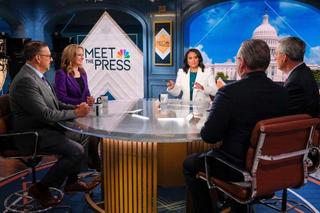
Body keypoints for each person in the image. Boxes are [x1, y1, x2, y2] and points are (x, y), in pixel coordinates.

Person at [183, 39, 288, 213]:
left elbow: (210, 136)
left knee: (189, 164)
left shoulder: (229, 93)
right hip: (272, 166)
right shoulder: (283, 93)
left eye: (238, 59)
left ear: (242, 63)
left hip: (236, 167)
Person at [9, 41, 98, 208]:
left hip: (45, 128)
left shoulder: (38, 76)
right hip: (32, 134)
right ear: (37, 58)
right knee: (76, 151)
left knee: (83, 135)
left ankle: (72, 181)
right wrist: (76, 113)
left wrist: (75, 108)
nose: (51, 59)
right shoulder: (26, 80)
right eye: (48, 56)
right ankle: (41, 188)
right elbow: (46, 115)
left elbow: (55, 104)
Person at [54, 44, 100, 171]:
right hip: (70, 114)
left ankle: (92, 159)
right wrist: (81, 102)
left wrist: (90, 99)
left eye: (82, 55)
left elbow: (86, 93)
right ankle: (90, 162)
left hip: (84, 111)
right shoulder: (61, 74)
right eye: (79, 55)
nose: (82, 58)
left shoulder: (82, 72)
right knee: (91, 132)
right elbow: (61, 98)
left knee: (98, 130)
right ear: (71, 56)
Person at [275, 36, 319, 117]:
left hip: (298, 127)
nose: (275, 58)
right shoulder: (305, 71)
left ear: (284, 57)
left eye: (276, 54)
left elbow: (284, 113)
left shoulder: (294, 83)